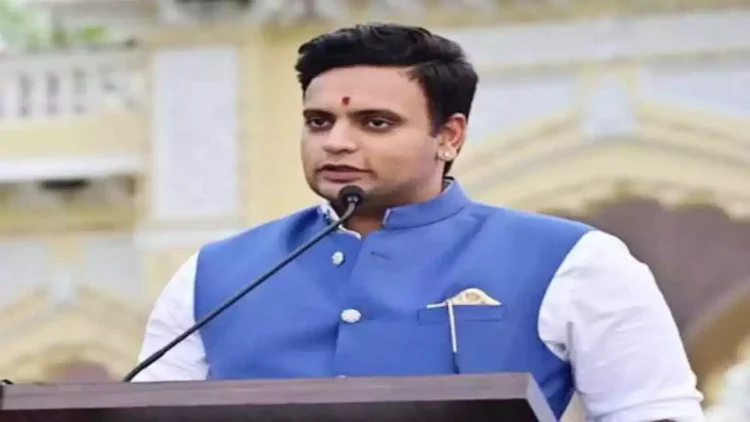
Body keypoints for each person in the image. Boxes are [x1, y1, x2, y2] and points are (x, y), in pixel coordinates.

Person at [134, 23, 705, 422]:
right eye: (318, 121)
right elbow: (143, 415)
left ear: (449, 136)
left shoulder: (576, 262)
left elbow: (654, 415)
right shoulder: (215, 274)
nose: (336, 142)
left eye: (375, 123)